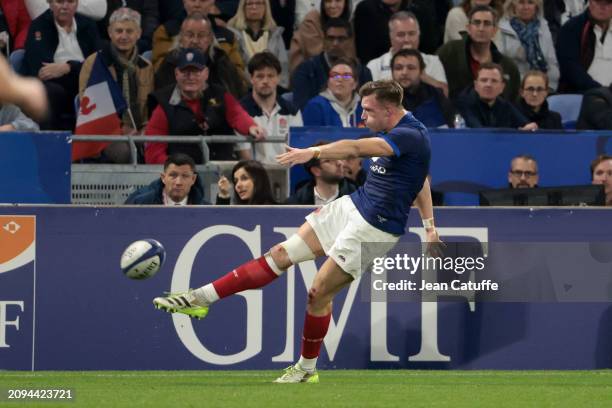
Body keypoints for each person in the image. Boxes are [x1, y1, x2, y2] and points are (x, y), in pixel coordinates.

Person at [152, 79, 442, 383]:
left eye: (368, 110)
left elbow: (356, 147)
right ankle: (201, 299)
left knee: (318, 293)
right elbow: (419, 179)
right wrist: (429, 227)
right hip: (354, 206)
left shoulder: (410, 135)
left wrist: (313, 153)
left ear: (388, 109)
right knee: (280, 254)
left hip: (375, 229)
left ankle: (305, 369)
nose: (362, 118)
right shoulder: (399, 135)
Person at [144, 48, 265, 163]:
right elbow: (154, 150)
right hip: (182, 176)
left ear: (206, 73)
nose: (190, 77)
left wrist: (251, 127)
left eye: (196, 72)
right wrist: (175, 170)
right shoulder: (164, 103)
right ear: (176, 74)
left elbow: (237, 115)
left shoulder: (221, 95)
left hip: (221, 170)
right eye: (185, 72)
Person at [78, 7, 153, 163]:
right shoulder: (94, 63)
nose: (123, 36)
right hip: (105, 132)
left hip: (139, 131)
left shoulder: (146, 66)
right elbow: (90, 106)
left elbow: (150, 107)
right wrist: (121, 130)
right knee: (124, 152)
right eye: (118, 31)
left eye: (129, 31)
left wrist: (145, 130)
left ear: (138, 33)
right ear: (109, 33)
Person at [21, 0, 101, 130]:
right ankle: (49, 145)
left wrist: (68, 67)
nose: (65, 6)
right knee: (50, 92)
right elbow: (43, 71)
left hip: (86, 82)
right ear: (50, 3)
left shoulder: (88, 25)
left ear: (77, 3)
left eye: (70, 1)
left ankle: (96, 147)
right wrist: (81, 68)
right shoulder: (39, 26)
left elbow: (97, 62)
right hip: (56, 87)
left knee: (102, 87)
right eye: (59, 1)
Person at [154, 13, 248, 98]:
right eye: (189, 35)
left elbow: (235, 96)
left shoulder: (221, 61)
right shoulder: (170, 63)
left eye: (201, 35)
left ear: (210, 38)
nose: (195, 41)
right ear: (181, 38)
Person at [438, 5, 521, 101]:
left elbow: (513, 102)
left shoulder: (508, 66)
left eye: (487, 23)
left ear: (494, 31)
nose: (481, 28)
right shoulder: (450, 52)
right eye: (477, 23)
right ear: (468, 28)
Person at [290, 18, 372, 110]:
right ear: (324, 40)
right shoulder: (306, 70)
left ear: (350, 41)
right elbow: (301, 108)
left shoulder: (363, 73)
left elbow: (369, 109)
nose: (335, 43)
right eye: (330, 38)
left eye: (341, 39)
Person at [236, 51, 302, 164]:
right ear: (251, 78)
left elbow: (297, 149)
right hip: (254, 175)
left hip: (286, 173)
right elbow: (245, 155)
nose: (265, 81)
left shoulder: (292, 111)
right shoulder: (240, 112)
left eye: (270, 76)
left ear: (278, 78)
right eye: (260, 76)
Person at [366, 11, 448, 95]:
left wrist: (422, 75)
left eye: (411, 34)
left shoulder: (433, 61)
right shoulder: (374, 65)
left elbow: (445, 94)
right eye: (401, 35)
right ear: (391, 37)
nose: (407, 40)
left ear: (418, 35)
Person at [151, 0, 245, 73]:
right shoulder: (166, 31)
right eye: (192, 0)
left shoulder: (227, 36)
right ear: (184, 1)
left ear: (212, 2)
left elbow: (238, 74)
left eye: (203, 0)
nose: (197, 4)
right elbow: (160, 71)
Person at [496, 0, 559, 91]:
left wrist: (549, 86)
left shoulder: (543, 27)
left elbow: (552, 62)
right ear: (514, 5)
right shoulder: (502, 28)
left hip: (544, 87)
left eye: (530, 2)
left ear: (536, 6)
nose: (526, 7)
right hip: (514, 88)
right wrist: (529, 84)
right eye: (521, 2)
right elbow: (500, 65)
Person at [353, 0, 441, 64]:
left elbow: (429, 47)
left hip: (418, 67)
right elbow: (364, 52)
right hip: (381, 70)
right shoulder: (365, 10)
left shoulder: (420, 9)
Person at [227, 0, 289, 88]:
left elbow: (283, 65)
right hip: (242, 90)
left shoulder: (275, 34)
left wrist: (279, 90)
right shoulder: (231, 34)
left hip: (272, 89)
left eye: (258, 3)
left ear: (266, 7)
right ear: (242, 7)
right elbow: (233, 68)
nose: (254, 7)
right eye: (250, 3)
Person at [456, 63, 537, 129]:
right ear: (476, 85)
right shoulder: (464, 103)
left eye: (494, 81)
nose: (488, 85)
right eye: (484, 80)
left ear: (502, 87)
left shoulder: (505, 105)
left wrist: (529, 128)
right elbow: (478, 132)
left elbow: (528, 126)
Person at [556, 0, 612, 93]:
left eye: (608, 3)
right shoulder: (571, 28)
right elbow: (570, 69)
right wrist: (601, 91)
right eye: (598, 2)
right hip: (583, 96)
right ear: (590, 2)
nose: (602, 7)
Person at [391, 48, 455, 128]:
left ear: (421, 72)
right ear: (392, 73)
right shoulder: (384, 99)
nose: (404, 72)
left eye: (411, 68)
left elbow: (450, 129)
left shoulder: (436, 95)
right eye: (398, 68)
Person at [289, 0, 355, 73]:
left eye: (338, 1)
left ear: (345, 3)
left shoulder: (349, 23)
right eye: (328, 1)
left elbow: (351, 56)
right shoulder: (311, 21)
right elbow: (318, 56)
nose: (332, 5)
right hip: (310, 75)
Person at [285, 141, 357, 204]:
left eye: (339, 158)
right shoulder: (296, 203)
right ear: (316, 171)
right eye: (328, 160)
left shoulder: (356, 198)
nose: (339, 163)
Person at [125, 153, 209, 205]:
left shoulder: (206, 210)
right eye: (173, 175)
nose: (178, 182)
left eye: (185, 176)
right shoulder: (140, 204)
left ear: (193, 179)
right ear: (163, 178)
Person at [302, 57, 364, 127]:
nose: (340, 79)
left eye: (346, 76)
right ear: (328, 82)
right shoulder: (315, 106)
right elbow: (311, 136)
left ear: (355, 84)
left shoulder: (364, 107)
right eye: (335, 75)